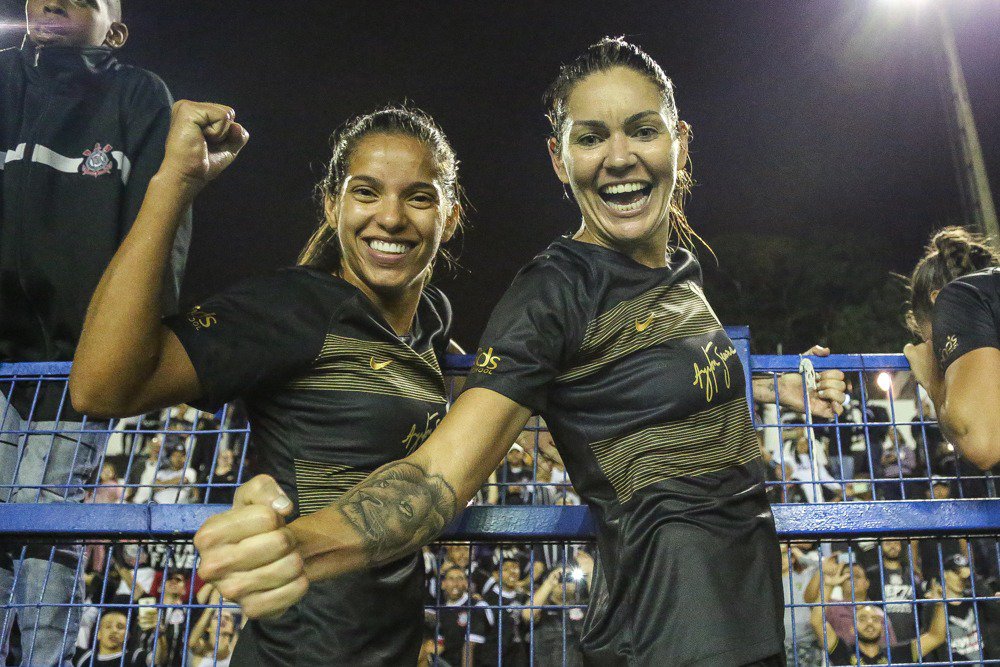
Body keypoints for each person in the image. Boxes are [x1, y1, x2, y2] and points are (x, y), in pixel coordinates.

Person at [195, 37, 847, 665]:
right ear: (560, 160)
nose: (618, 156)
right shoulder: (553, 291)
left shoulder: (679, 269)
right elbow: (437, 475)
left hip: (744, 624)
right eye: (590, 137)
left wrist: (768, 390)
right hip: (670, 636)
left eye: (642, 130)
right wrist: (302, 545)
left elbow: (658, 383)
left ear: (680, 142)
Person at [68, 99, 464, 665]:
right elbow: (98, 389)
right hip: (294, 655)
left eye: (419, 196)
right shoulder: (291, 309)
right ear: (333, 205)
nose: (392, 217)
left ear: (448, 218)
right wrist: (173, 185)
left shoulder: (432, 322)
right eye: (366, 191)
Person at [0, 2, 191, 663]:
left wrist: (134, 340)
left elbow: (158, 228)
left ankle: (47, 659)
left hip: (75, 363)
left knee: (36, 507)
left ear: (116, 30)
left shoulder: (137, 95)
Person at [903, 227, 1000, 471]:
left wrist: (934, 381)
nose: (941, 357)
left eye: (937, 346)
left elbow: (982, 445)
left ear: (938, 300)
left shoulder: (957, 296)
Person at [812, 567, 947, 666]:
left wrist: (940, 605)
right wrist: (828, 586)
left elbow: (936, 637)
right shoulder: (843, 652)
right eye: (862, 619)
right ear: (852, 628)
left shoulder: (896, 654)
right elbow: (816, 622)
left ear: (883, 628)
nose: (869, 623)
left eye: (875, 619)